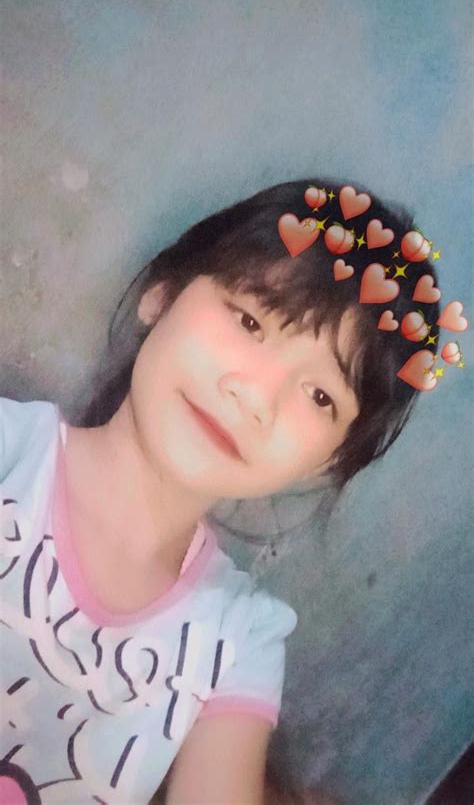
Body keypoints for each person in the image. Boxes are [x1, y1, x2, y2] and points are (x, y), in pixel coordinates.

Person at [0, 179, 441, 804]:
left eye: (320, 395)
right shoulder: (8, 454)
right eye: (249, 320)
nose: (255, 397)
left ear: (329, 460)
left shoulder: (239, 641)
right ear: (163, 293)